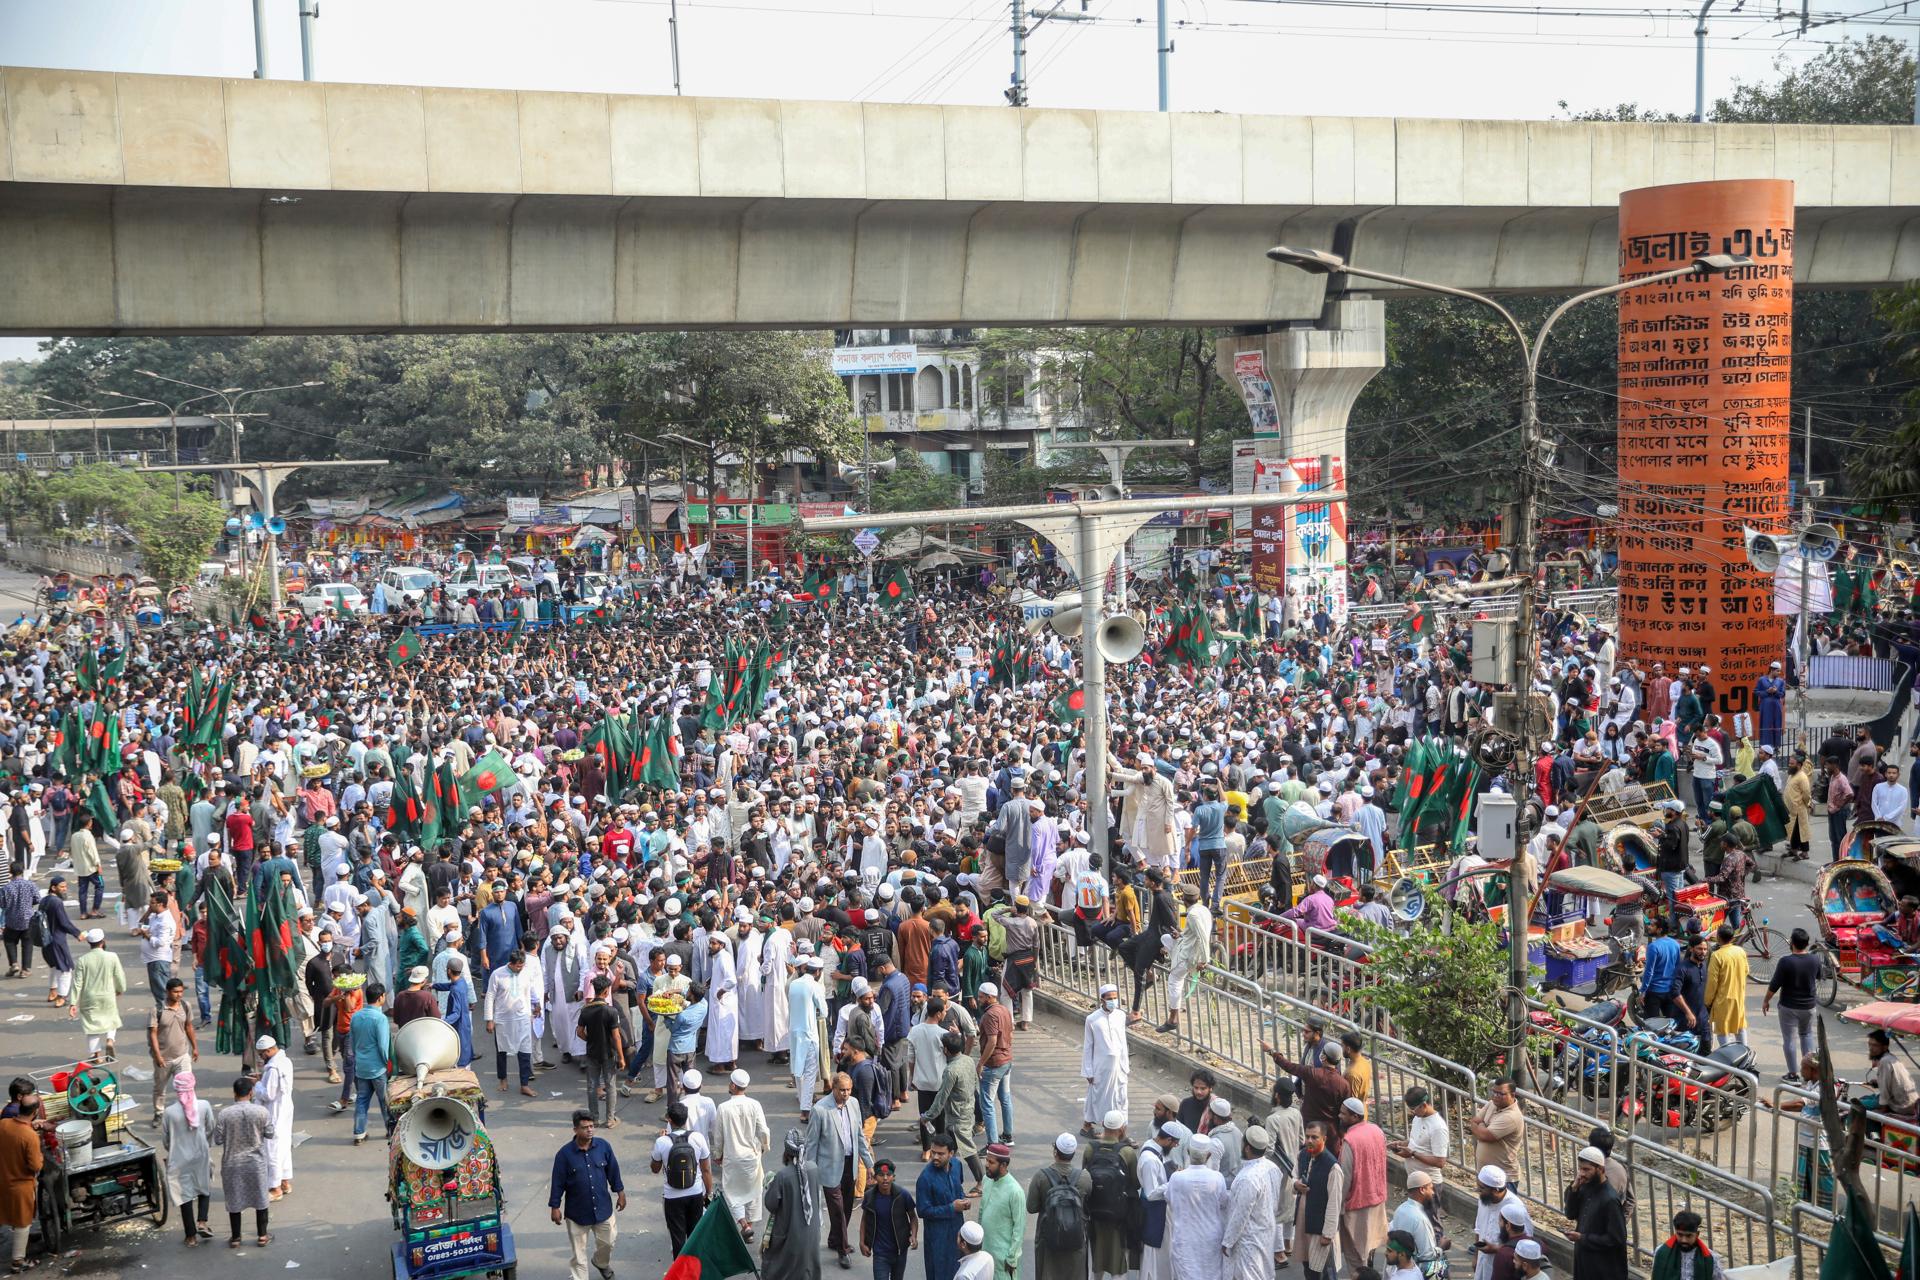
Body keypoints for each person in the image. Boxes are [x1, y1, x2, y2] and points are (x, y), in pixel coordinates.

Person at [805, 1070, 872, 1269]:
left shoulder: (854, 1104)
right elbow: (811, 1143)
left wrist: (869, 1164)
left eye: (849, 1090)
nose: (846, 1093)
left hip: (850, 1165)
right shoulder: (820, 1110)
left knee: (847, 1207)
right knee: (838, 1211)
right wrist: (810, 1171)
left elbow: (859, 1136)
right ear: (833, 1088)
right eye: (842, 1090)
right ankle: (843, 1250)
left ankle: (834, 1239)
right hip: (829, 1169)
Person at [549, 1109, 625, 1280]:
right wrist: (555, 1206)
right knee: (579, 1255)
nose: (590, 1130)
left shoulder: (603, 1146)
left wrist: (620, 1192)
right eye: (585, 1127)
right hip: (577, 1213)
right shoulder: (564, 1155)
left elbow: (613, 1171)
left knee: (609, 1241)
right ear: (575, 1130)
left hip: (603, 1209)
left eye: (591, 1126)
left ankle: (600, 1263)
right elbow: (557, 1182)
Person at [212, 1075, 274, 1249]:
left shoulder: (224, 1114)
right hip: (256, 1163)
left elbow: (218, 1139)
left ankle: (236, 1238)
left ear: (234, 1093)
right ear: (251, 1093)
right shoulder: (262, 1112)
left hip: (232, 1163)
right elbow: (270, 1133)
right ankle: (262, 1235)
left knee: (234, 1200)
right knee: (261, 1198)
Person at [713, 1068, 770, 1242]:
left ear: (732, 1085)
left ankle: (744, 1225)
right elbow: (763, 1131)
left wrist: (718, 1154)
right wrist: (764, 1147)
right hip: (752, 1156)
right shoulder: (755, 1105)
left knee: (733, 1193)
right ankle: (749, 1227)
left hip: (732, 1157)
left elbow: (718, 1136)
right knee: (754, 1192)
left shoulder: (723, 1108)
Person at [1024, 1133, 1092, 1280]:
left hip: (1048, 1239)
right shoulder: (1084, 1178)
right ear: (1073, 1153)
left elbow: (1031, 1207)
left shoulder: (1041, 1177)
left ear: (1055, 1152)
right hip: (1076, 1239)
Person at [159, 1070, 215, 1246]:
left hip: (179, 1158)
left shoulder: (169, 1112)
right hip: (200, 1154)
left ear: (176, 1089)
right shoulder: (204, 1105)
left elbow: (166, 1139)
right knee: (204, 1185)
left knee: (184, 1195)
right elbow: (210, 1128)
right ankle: (202, 1221)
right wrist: (205, 1144)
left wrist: (172, 1150)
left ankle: (191, 1237)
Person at [652, 1100, 713, 1253]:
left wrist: (660, 1142)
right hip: (695, 1193)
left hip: (672, 1197)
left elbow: (655, 1168)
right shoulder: (698, 1138)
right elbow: (706, 1169)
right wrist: (708, 1192)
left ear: (669, 1120)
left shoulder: (662, 1142)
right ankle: (695, 1266)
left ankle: (680, 1267)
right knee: (695, 1237)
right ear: (686, 1119)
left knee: (677, 1239)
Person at [1082, 1110, 1137, 1280]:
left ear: (1103, 1125)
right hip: (1118, 1217)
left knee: (1096, 1256)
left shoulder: (1090, 1148)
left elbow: (1084, 1176)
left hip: (1094, 1212)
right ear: (1122, 1129)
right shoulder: (1127, 1152)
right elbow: (1135, 1183)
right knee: (1118, 1259)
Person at [1224, 1124, 1283, 1280]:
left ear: (1247, 1148)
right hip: (1266, 1233)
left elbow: (1240, 1215)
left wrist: (1227, 1242)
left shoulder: (1248, 1178)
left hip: (1249, 1241)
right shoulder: (1273, 1168)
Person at [1761, 929, 1821, 1081]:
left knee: (1789, 1039)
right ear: (1807, 943)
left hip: (1789, 1007)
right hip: (1809, 1007)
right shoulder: (1815, 959)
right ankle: (1810, 1073)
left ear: (1792, 943)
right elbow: (1819, 975)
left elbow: (1774, 985)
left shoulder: (1786, 961)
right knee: (1807, 1035)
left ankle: (1793, 1074)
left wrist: (1766, 1000)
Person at [764, 1128, 823, 1280]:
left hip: (790, 1233)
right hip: (812, 1232)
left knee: (782, 1267)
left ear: (787, 1151)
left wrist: (770, 1185)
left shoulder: (782, 1176)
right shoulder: (814, 1168)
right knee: (808, 1268)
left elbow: (771, 1204)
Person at [1339, 1097, 1390, 1270]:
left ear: (1354, 1116)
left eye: (1343, 1114)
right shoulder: (1376, 1130)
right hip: (1377, 1198)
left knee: (1356, 1254)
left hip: (1357, 1204)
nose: (1339, 1116)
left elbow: (1344, 1178)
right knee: (1370, 1247)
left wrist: (1338, 1204)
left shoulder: (1350, 1140)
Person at [1563, 1146, 1628, 1280]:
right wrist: (1574, 1189)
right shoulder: (1584, 1187)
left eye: (1586, 1169)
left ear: (1601, 1170)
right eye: (1580, 1169)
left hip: (1603, 1268)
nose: (1581, 1173)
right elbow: (1570, 1214)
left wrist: (1582, 1238)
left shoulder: (1610, 1199)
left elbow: (1616, 1239)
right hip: (1584, 1262)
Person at [1292, 1121, 1345, 1280]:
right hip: (1304, 1223)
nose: (1309, 1140)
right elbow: (1293, 1177)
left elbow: (1334, 1203)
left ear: (1324, 1139)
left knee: (1325, 1270)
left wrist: (1328, 1234)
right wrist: (1295, 1184)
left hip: (1321, 1227)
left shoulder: (1333, 1168)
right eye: (1307, 1136)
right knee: (1308, 1267)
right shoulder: (1302, 1155)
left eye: (1314, 1137)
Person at [485, 948, 542, 1097]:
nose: (520, 969)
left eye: (522, 966)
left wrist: (537, 1004)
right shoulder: (497, 974)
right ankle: (503, 1079)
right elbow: (490, 996)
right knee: (501, 1051)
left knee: (525, 1051)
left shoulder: (526, 973)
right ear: (511, 963)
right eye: (518, 966)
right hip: (503, 1020)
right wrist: (489, 1019)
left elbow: (531, 990)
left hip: (523, 1018)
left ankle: (524, 1085)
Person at [0, 1083, 43, 1274]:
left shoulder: (4, 1124)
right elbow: (35, 1166)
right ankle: (18, 1261)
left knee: (5, 1213)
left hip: (3, 1177)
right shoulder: (29, 1136)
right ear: (34, 1112)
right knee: (22, 1222)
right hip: (20, 1184)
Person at [917, 1132, 972, 1280]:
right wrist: (951, 1208)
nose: (935, 1157)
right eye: (933, 1152)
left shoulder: (957, 1165)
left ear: (951, 1153)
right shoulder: (925, 1178)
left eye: (940, 1154)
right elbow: (922, 1211)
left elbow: (958, 1187)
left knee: (959, 1270)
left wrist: (963, 1200)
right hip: (937, 1236)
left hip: (957, 1231)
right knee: (939, 1272)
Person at [1159, 884, 1212, 1034]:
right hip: (1187, 945)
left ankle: (1173, 1019)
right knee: (1165, 938)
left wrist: (1204, 960)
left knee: (1174, 980)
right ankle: (1174, 961)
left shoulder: (1193, 915)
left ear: (1183, 899)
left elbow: (1202, 937)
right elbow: (1195, 933)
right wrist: (1181, 935)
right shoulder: (1203, 910)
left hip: (1190, 955)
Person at [146, 977, 198, 1126]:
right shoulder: (157, 1010)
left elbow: (188, 1027)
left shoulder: (185, 1006)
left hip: (182, 1055)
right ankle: (158, 1113)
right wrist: (158, 1056)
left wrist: (195, 1047)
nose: (179, 994)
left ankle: (188, 1113)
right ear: (168, 991)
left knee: (186, 1086)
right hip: (164, 1058)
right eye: (175, 992)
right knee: (160, 1088)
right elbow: (153, 1034)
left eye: (181, 991)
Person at [69, 926, 125, 1061]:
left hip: (89, 997)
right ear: (103, 941)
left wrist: (73, 1003)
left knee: (91, 1026)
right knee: (111, 1019)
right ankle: (110, 1039)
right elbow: (119, 976)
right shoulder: (112, 957)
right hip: (108, 995)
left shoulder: (83, 960)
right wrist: (120, 989)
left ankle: (96, 1055)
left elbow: (77, 983)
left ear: (89, 942)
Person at [1080, 983, 1129, 1136]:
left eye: (1115, 998)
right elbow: (1088, 1046)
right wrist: (1088, 1070)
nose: (1113, 1001)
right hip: (1100, 1067)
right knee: (1097, 1097)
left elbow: (1123, 1041)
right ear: (1102, 1000)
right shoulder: (1092, 1019)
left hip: (1119, 1065)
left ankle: (1120, 1131)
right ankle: (1088, 1125)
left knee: (1120, 1097)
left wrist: (1125, 1065)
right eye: (1109, 998)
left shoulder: (1121, 1016)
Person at [345, 986, 391, 1144]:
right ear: (380, 997)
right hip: (377, 1068)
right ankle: (390, 1131)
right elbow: (383, 1046)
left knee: (362, 1101)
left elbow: (352, 1042)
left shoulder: (356, 1016)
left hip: (361, 1067)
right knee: (385, 1102)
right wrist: (387, 1064)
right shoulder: (380, 1019)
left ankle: (359, 1133)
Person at [577, 974, 624, 1128]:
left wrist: (590, 1040)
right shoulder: (611, 1011)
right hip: (608, 1053)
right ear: (606, 991)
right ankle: (610, 1119)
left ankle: (594, 1119)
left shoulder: (585, 1010)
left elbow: (579, 1032)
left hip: (592, 1053)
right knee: (610, 1085)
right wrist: (621, 1057)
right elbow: (616, 1037)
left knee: (592, 1086)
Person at [1138, 1121, 1184, 1280]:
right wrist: (1175, 1179)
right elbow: (1151, 1193)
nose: (1175, 1146)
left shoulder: (1155, 1148)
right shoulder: (1150, 1160)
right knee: (1153, 1254)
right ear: (1168, 1139)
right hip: (1154, 1212)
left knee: (1163, 1253)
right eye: (1175, 1143)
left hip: (1161, 1209)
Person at [860, 1157, 917, 1280]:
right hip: (880, 1253)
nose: (885, 1178)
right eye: (881, 1175)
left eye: (888, 1175)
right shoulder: (869, 1197)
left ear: (893, 1177)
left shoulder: (903, 1195)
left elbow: (913, 1217)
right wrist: (862, 1242)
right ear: (875, 1177)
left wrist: (914, 1236)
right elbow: (864, 1220)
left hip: (900, 1251)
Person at [1472, 1165, 1531, 1280]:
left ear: (1496, 1190)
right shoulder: (1484, 1199)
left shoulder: (1515, 1208)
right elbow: (1478, 1228)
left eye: (1482, 1188)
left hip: (1504, 1266)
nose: (1478, 1191)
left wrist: (1497, 1249)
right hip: (1482, 1262)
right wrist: (1476, 1256)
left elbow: (1525, 1243)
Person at [978, 1142, 1025, 1280]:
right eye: (986, 1160)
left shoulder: (1015, 1191)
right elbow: (981, 1211)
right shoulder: (986, 1180)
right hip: (985, 1253)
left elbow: (1019, 1228)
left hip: (1003, 1259)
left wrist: (1012, 1258)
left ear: (1003, 1165)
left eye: (991, 1162)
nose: (986, 1165)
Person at [1469, 1077, 1524, 1184]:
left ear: (1512, 1095)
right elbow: (1473, 1121)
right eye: (1494, 1092)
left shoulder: (1511, 1116)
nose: (1495, 1096)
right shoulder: (1492, 1104)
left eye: (1500, 1094)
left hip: (1503, 1178)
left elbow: (1485, 1136)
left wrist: (1481, 1125)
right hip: (1485, 1175)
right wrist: (1482, 1126)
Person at [1703, 924, 1749, 1049]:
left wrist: (1707, 1001)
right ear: (1732, 938)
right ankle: (1745, 1053)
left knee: (1722, 1030)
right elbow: (1746, 970)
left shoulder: (1717, 955)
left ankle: (1728, 1055)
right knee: (1740, 1026)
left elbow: (1712, 982)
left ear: (1718, 937)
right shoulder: (1740, 951)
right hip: (1738, 997)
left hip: (1722, 1000)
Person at [1651, 1210, 1726, 1280]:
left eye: (1688, 1236)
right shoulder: (1661, 1253)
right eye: (1680, 1235)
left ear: (1697, 1234)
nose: (1684, 1240)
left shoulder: (1710, 1258)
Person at [1865, 1028, 1919, 1120]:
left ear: (1885, 1047)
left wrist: (1882, 1112)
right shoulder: (1890, 1058)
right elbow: (1893, 1082)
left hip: (1902, 1106)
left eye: (1875, 1045)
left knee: (1856, 1105)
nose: (1871, 1048)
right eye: (1869, 1044)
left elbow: (1885, 1093)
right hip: (1910, 1102)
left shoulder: (1885, 1062)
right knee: (1866, 1098)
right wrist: (1878, 1082)